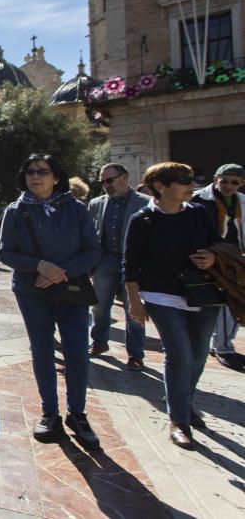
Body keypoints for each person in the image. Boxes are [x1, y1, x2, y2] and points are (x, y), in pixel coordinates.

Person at [0, 154, 101, 450]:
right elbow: (6, 252)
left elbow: (92, 250)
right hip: (32, 291)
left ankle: (77, 414)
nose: (35, 176)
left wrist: (60, 272)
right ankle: (50, 412)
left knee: (77, 352)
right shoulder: (16, 211)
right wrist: (40, 266)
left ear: (56, 177)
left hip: (71, 289)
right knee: (42, 351)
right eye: (30, 171)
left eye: (43, 171)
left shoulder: (77, 210)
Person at [125, 162, 224, 449]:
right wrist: (134, 302)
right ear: (160, 187)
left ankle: (184, 400)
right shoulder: (142, 220)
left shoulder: (201, 214)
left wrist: (213, 258)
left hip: (204, 294)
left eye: (192, 179)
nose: (190, 184)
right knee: (179, 355)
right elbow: (129, 266)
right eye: (183, 180)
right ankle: (178, 420)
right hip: (161, 295)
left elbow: (217, 245)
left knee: (199, 353)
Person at [88, 163, 152, 370]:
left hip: (133, 264)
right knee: (99, 305)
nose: (105, 185)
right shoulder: (96, 203)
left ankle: (135, 353)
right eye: (102, 181)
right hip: (104, 260)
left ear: (124, 178)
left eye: (110, 180)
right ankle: (99, 342)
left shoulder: (146, 203)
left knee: (133, 308)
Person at [192, 163, 245, 372]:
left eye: (234, 182)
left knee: (234, 297)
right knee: (216, 300)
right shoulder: (199, 200)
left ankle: (223, 344)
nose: (229, 186)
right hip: (207, 256)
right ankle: (221, 346)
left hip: (234, 258)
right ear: (216, 179)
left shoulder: (242, 202)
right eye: (224, 181)